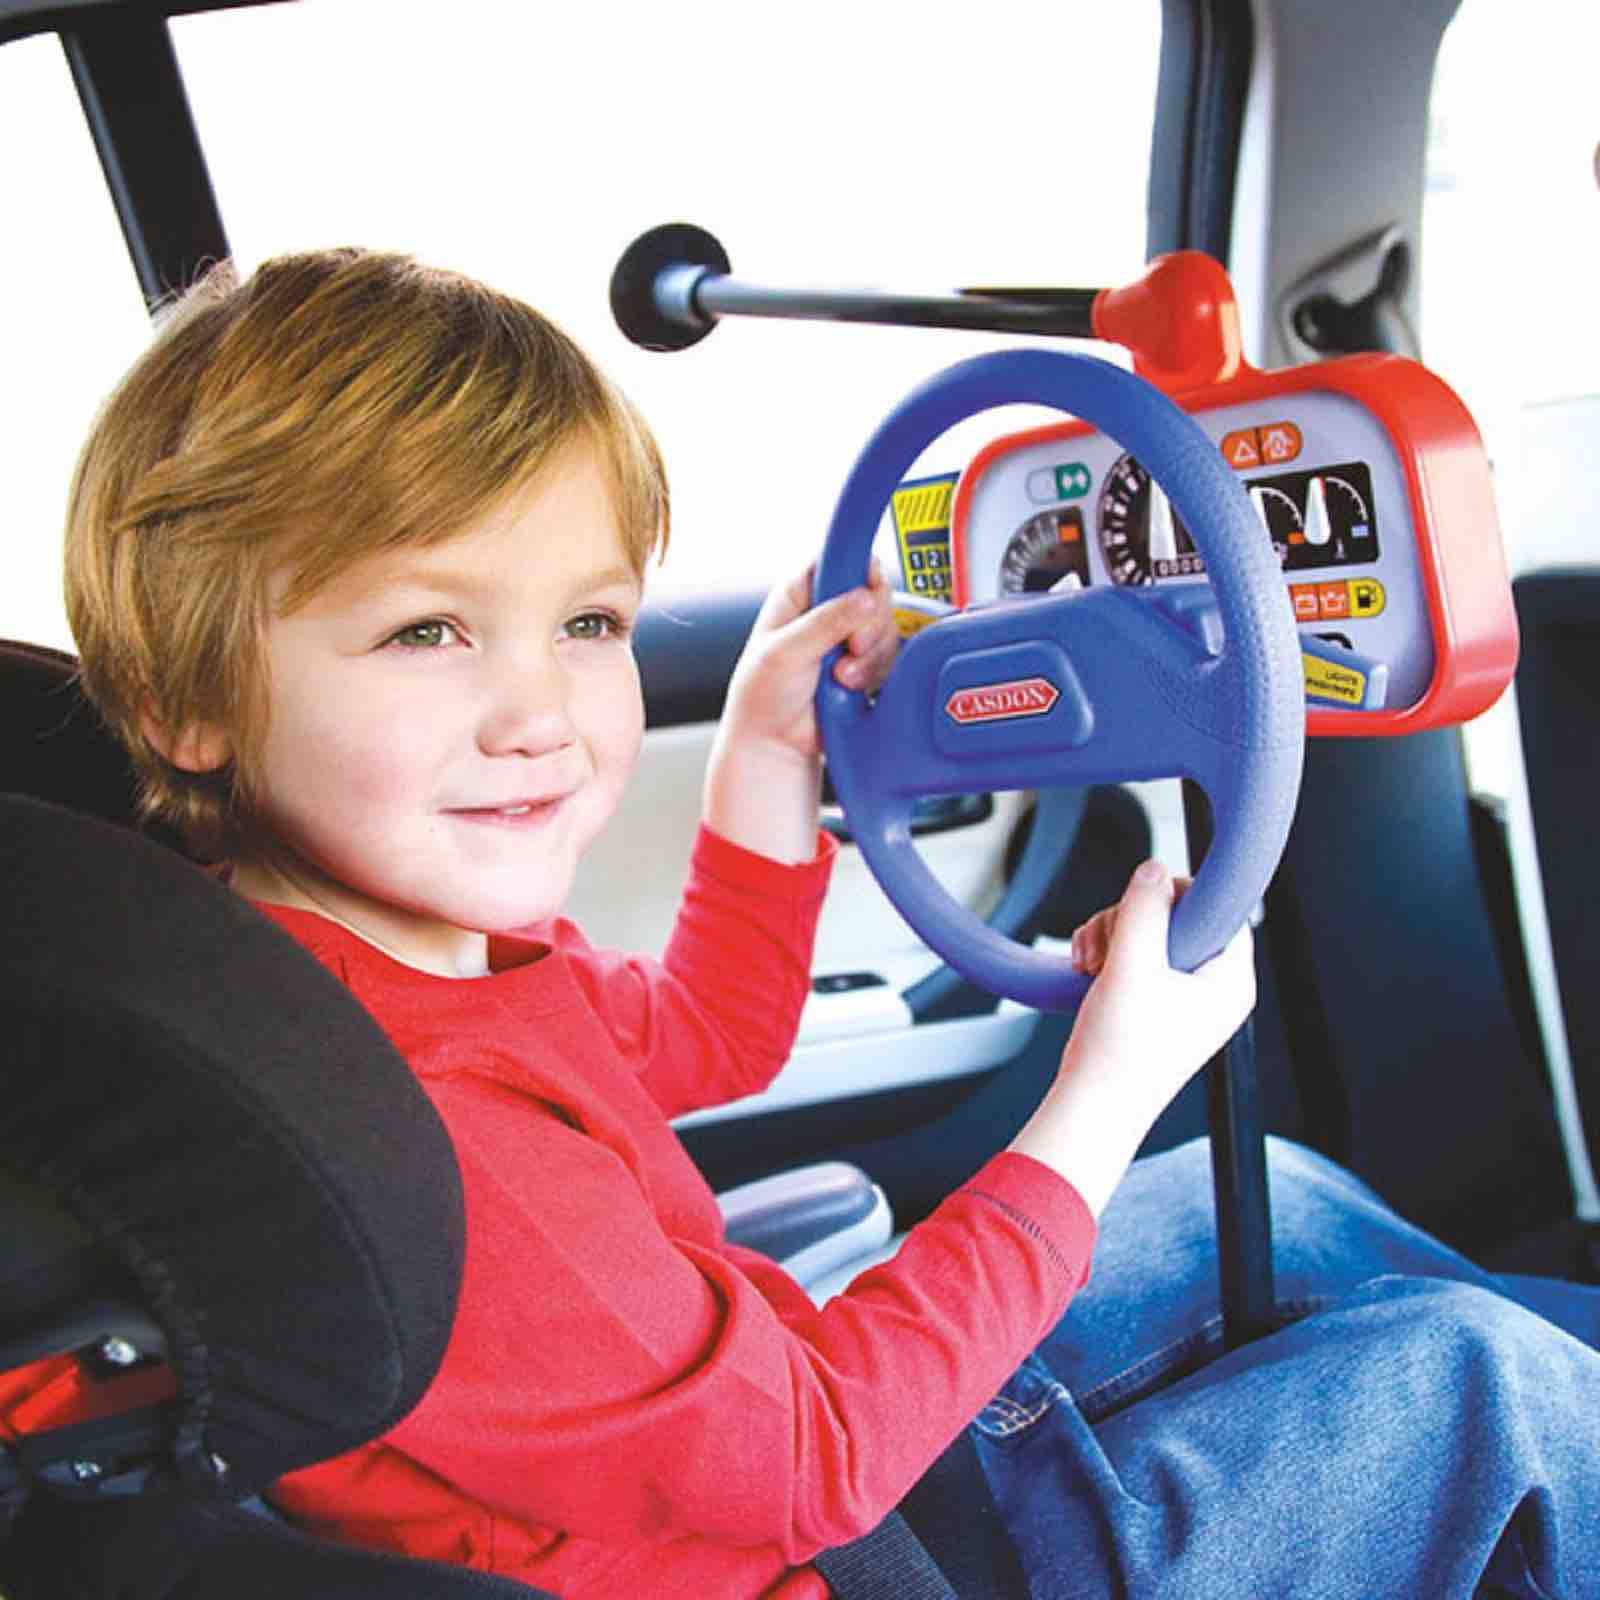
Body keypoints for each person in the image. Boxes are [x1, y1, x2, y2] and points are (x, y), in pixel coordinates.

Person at [63, 247, 1600, 1598]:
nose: (540, 713)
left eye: (588, 623)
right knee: (1481, 1389)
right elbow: (819, 1464)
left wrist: (762, 753)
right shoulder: (428, 1138)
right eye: (427, 630)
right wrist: (1110, 1088)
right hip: (856, 1554)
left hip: (813, 1445)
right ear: (187, 698)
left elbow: (709, 1036)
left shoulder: (384, 972)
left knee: (1270, 1197)